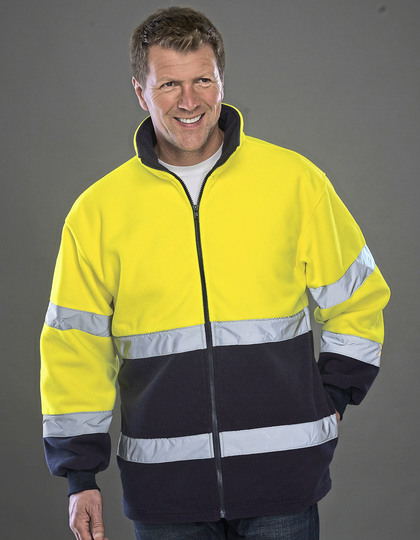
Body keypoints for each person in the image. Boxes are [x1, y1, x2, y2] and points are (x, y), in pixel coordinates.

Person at [40, 6, 390, 540]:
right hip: (165, 494)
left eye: (202, 80)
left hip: (284, 479)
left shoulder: (295, 182)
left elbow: (358, 299)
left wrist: (335, 396)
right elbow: (74, 347)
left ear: (221, 81)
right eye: (169, 84)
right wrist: (79, 475)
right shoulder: (97, 213)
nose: (189, 101)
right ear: (140, 92)